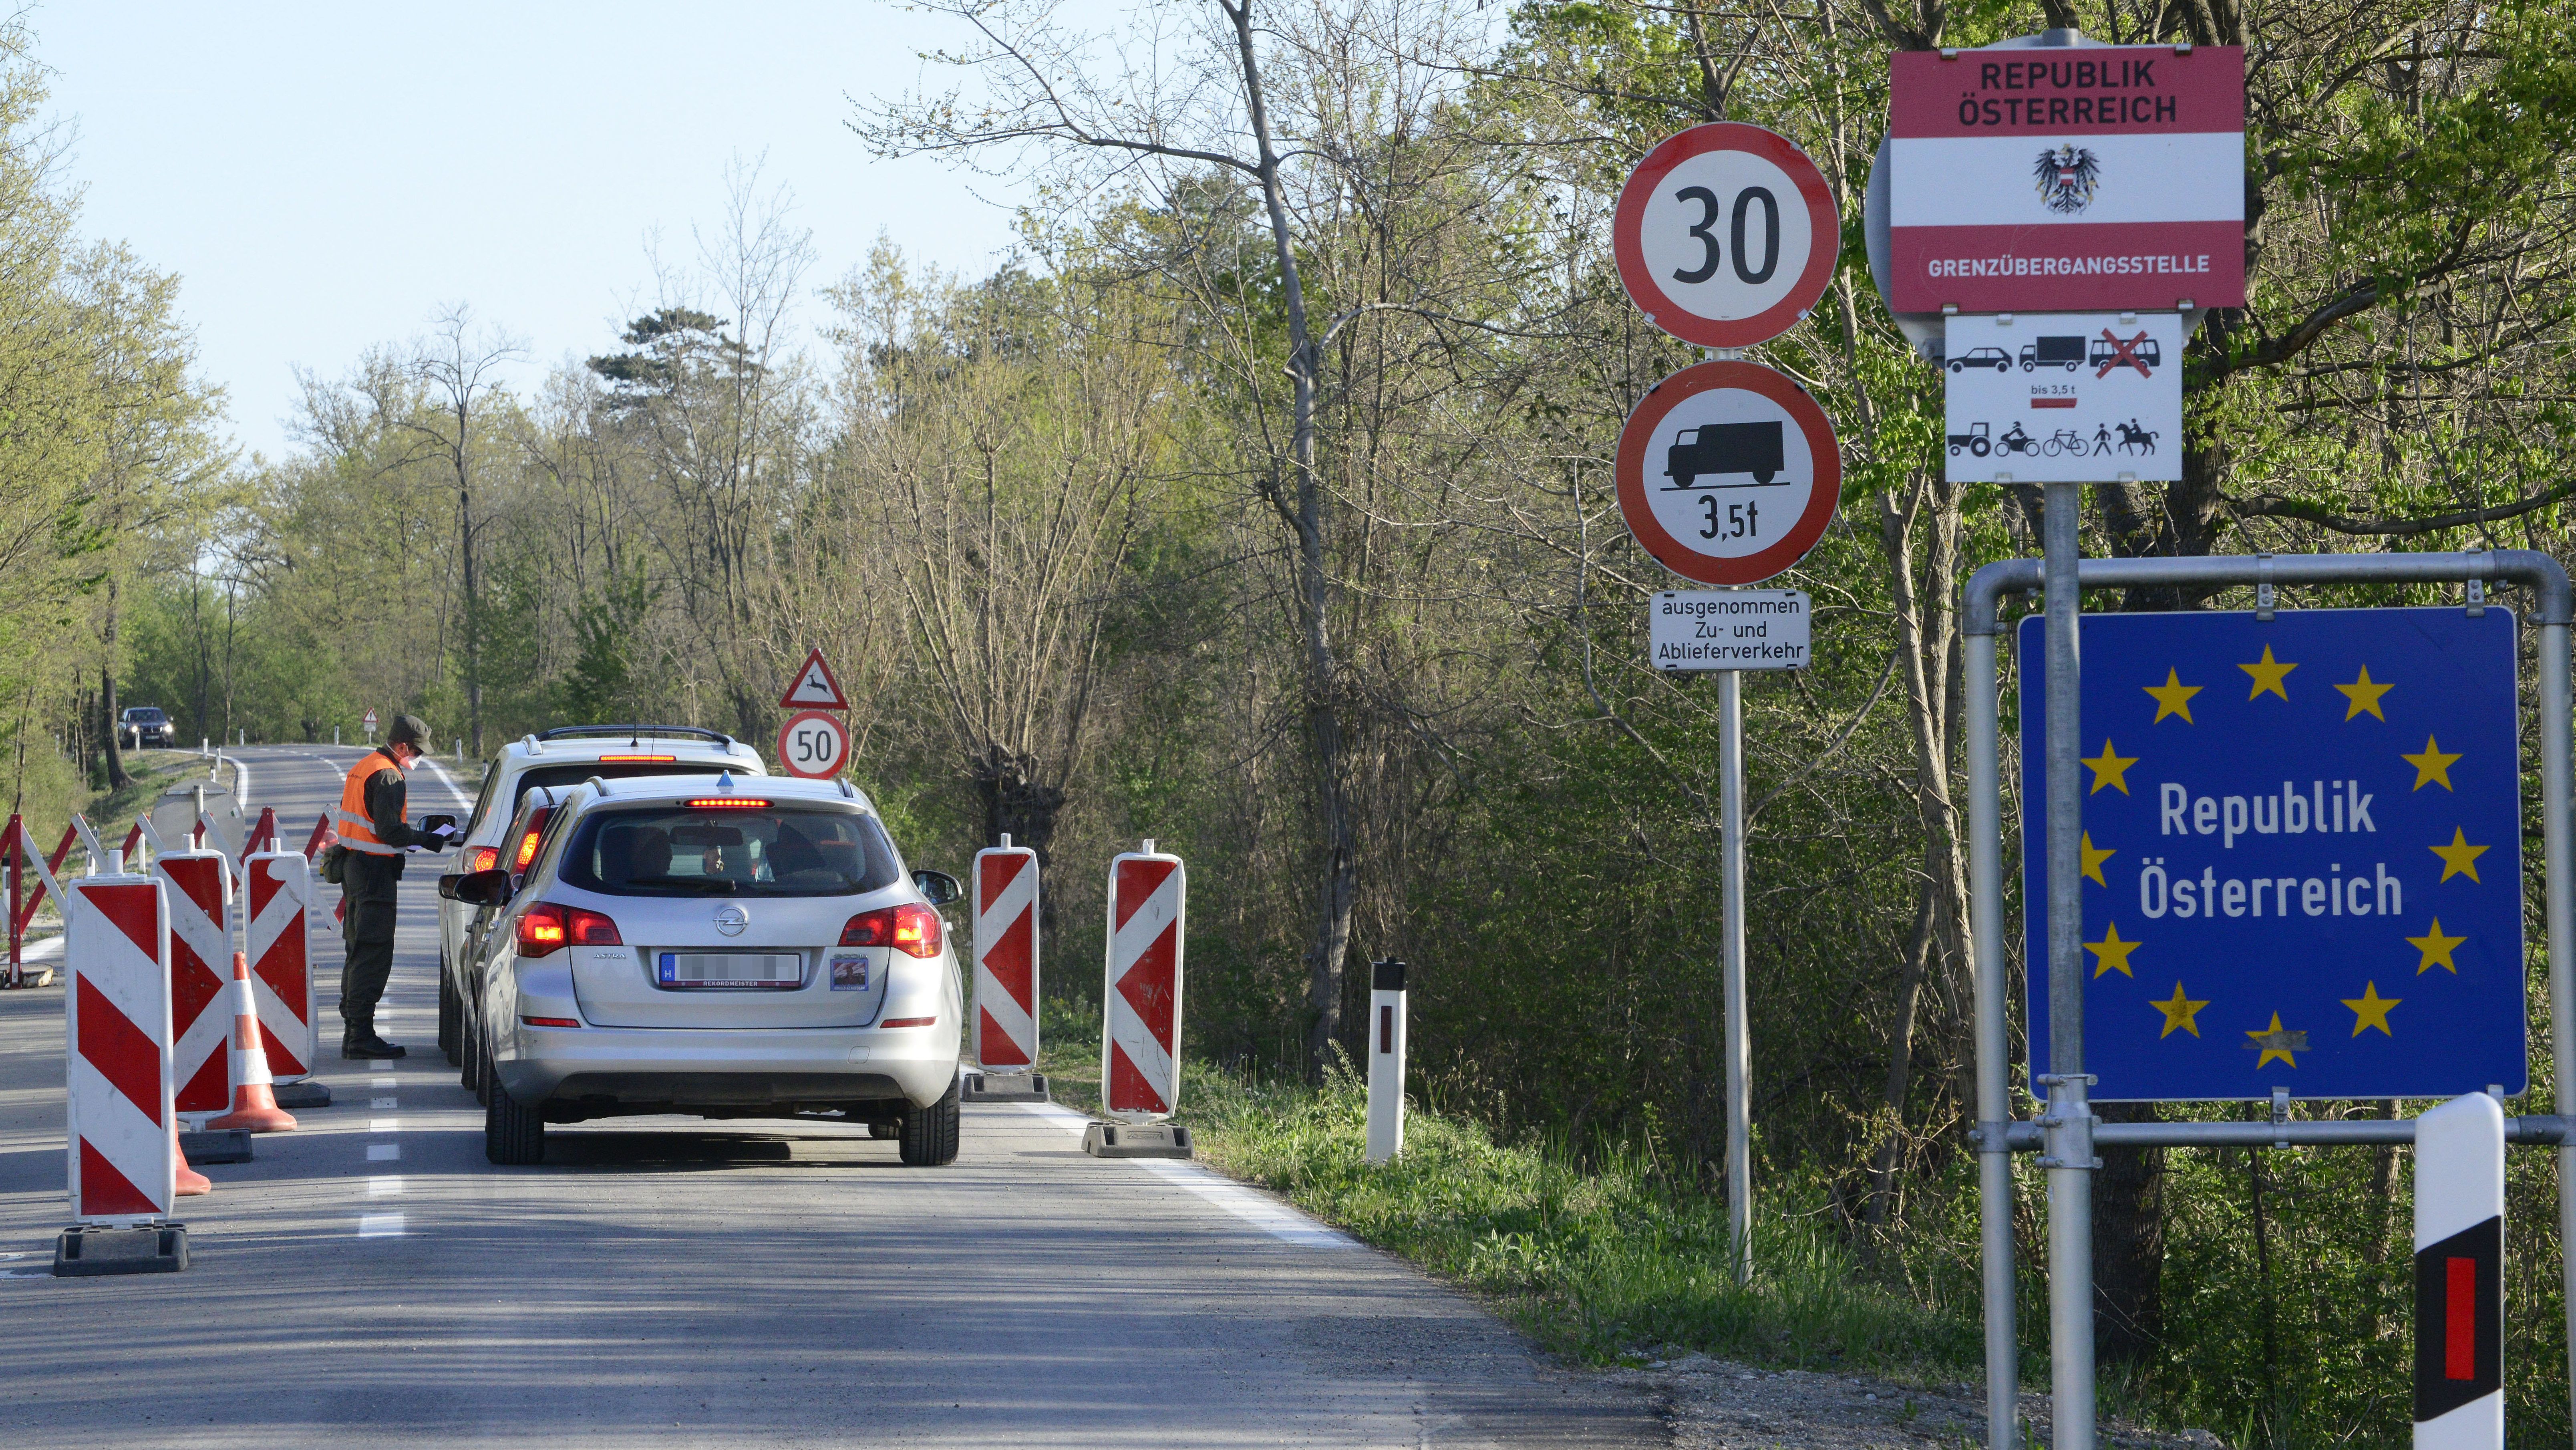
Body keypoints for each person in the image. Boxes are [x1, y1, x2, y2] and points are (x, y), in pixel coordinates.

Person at [329, 714, 457, 1058]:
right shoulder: (388, 776)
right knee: (373, 954)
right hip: (374, 876)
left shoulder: (364, 766)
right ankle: (361, 1037)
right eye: (416, 752)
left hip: (356, 869)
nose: (418, 758)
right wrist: (432, 839)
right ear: (402, 746)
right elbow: (391, 832)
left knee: (357, 951)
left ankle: (354, 1032)